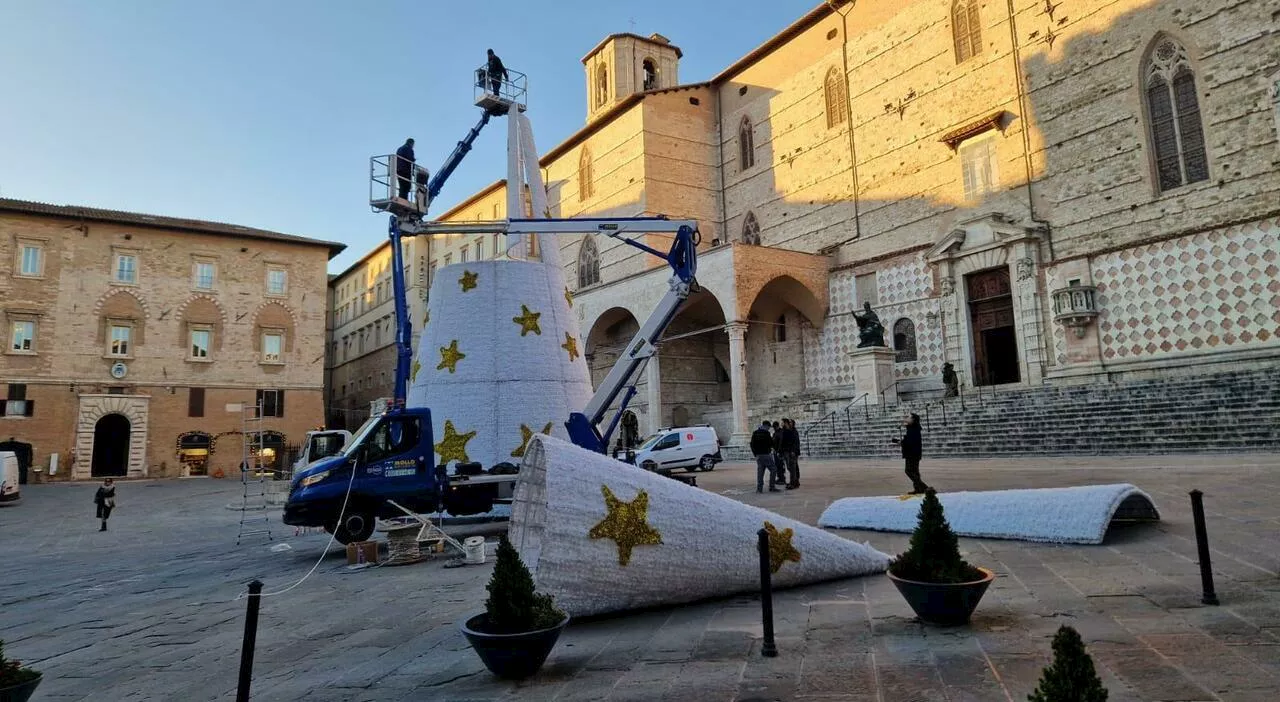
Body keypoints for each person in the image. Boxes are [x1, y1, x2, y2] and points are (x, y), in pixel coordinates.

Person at [892, 413, 929, 494]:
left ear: (913, 419)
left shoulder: (914, 429)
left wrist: (901, 442)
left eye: (908, 417)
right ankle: (918, 489)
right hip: (913, 453)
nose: (906, 418)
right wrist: (901, 441)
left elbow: (911, 442)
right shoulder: (912, 428)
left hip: (912, 453)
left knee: (909, 471)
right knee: (915, 472)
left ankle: (925, 488)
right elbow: (909, 440)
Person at [750, 422, 779, 493]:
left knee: (760, 471)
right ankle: (772, 486)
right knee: (773, 469)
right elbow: (771, 443)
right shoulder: (766, 433)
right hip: (766, 454)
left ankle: (759, 489)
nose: (769, 429)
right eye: (769, 427)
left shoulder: (755, 433)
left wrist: (755, 454)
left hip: (758, 455)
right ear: (766, 426)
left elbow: (752, 444)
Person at [780, 418, 801, 490]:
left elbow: (795, 443)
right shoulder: (786, 431)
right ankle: (795, 482)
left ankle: (793, 483)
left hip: (792, 452)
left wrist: (793, 451)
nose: (789, 423)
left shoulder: (793, 431)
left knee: (793, 468)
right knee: (791, 468)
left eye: (790, 422)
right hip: (787, 451)